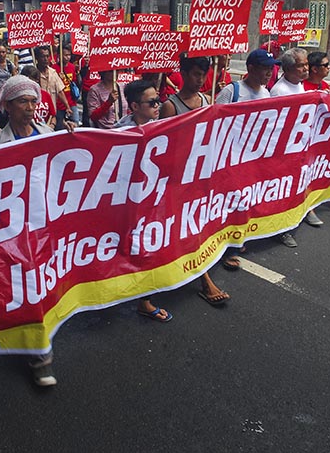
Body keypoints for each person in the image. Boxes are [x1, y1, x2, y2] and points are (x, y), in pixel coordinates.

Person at [0, 75, 71, 386]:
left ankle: (39, 348)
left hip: (46, 226)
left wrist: (72, 140)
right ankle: (39, 357)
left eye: (34, 101)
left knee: (44, 287)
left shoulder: (48, 133)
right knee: (27, 289)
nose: (30, 107)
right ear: (7, 106)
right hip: (14, 232)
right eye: (23, 101)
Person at [160, 54, 230, 306]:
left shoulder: (207, 100)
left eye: (203, 75)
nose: (200, 80)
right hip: (179, 178)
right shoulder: (170, 106)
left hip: (202, 175)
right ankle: (203, 279)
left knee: (200, 223)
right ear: (184, 74)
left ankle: (203, 270)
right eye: (195, 74)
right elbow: (164, 146)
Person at [114, 79, 173, 322]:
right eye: (152, 102)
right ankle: (143, 300)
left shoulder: (167, 125)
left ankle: (144, 296)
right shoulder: (119, 133)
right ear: (135, 107)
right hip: (132, 202)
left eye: (158, 100)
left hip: (158, 197)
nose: (158, 105)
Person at [214, 48, 278, 270]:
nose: (269, 73)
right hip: (229, 158)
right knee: (232, 202)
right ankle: (227, 247)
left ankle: (238, 238)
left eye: (271, 69)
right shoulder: (232, 92)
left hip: (253, 158)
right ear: (250, 68)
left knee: (248, 199)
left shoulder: (267, 94)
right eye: (264, 68)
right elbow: (213, 123)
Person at [269, 47, 323, 241]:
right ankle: (282, 229)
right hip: (284, 150)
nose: (306, 68)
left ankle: (301, 213)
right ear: (289, 69)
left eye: (307, 64)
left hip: (299, 146)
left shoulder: (299, 85)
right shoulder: (280, 91)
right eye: (301, 65)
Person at [35, 46, 71, 124]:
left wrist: (67, 106)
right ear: (37, 58)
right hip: (37, 114)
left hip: (52, 114)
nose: (45, 59)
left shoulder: (53, 73)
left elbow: (60, 91)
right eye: (43, 56)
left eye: (47, 56)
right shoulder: (33, 74)